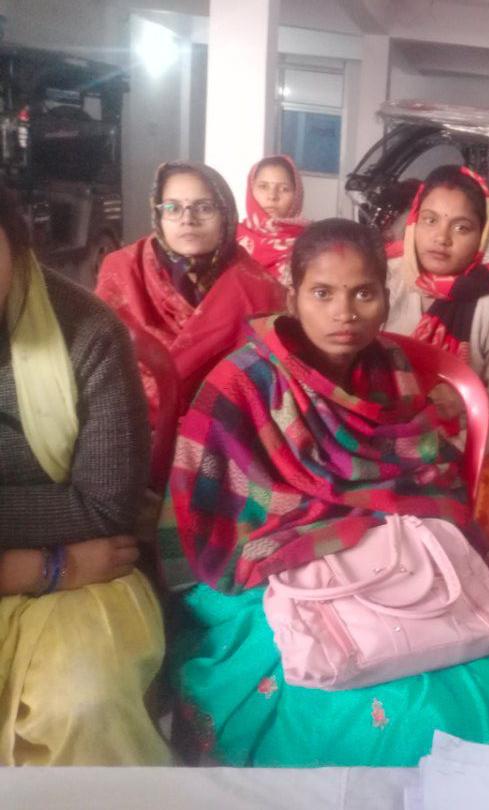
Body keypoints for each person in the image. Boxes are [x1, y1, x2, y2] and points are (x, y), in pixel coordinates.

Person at [159, 218, 489, 767]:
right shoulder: (242, 381)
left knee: (480, 673)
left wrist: (379, 519)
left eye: (363, 294)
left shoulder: (391, 368)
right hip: (278, 554)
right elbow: (205, 503)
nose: (345, 313)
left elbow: (425, 474)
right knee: (361, 705)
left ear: (386, 299)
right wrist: (326, 528)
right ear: (293, 299)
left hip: (389, 547)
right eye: (323, 293)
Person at [0, 190, 170, 765]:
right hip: (72, 562)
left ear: (17, 243)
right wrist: (46, 565)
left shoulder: (87, 331)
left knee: (85, 703)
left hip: (88, 583)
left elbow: (104, 507)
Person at [385, 164, 489, 553]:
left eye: (461, 227)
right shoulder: (384, 282)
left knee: (471, 516)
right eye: (430, 220)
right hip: (381, 433)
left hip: (472, 445)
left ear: (482, 235)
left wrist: (436, 452)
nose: (441, 237)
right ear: (413, 222)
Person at [96, 161, 287, 415]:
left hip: (228, 430)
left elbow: (271, 385)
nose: (187, 219)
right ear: (158, 214)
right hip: (127, 424)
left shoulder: (259, 290)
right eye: (173, 208)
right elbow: (100, 367)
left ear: (226, 214)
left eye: (204, 207)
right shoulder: (123, 271)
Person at [236, 154, 308, 288]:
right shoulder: (231, 239)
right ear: (251, 189)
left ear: (297, 195)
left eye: (284, 189)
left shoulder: (311, 244)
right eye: (263, 187)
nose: (272, 196)